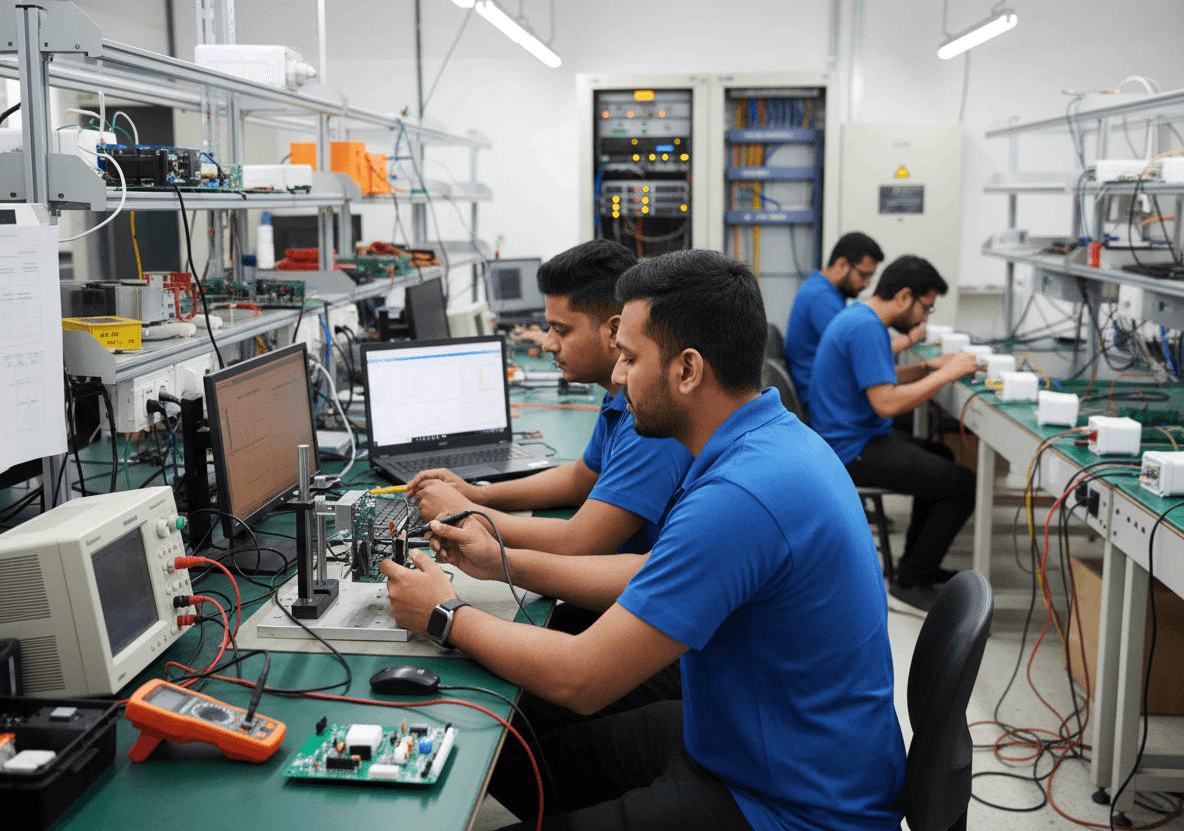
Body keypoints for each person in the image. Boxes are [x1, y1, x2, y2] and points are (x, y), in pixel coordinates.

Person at [380, 250, 907, 831]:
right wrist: (500, 560)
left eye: (630, 358)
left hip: (790, 806)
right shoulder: (765, 441)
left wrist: (444, 616)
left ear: (687, 370)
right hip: (753, 741)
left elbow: (583, 678)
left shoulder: (741, 494)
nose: (618, 375)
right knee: (514, 746)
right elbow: (658, 573)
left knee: (531, 726)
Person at [407, 239, 692, 561]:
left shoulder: (652, 418)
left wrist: (463, 510)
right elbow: (582, 477)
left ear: (615, 330)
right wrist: (480, 495)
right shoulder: (618, 396)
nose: (547, 344)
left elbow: (580, 543)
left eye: (561, 330)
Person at [809, 255, 979, 612]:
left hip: (849, 438)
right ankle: (911, 580)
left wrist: (926, 368)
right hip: (850, 450)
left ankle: (920, 564)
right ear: (904, 296)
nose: (924, 318)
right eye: (925, 308)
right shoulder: (866, 327)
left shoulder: (860, 318)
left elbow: (877, 379)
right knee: (963, 485)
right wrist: (945, 376)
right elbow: (886, 403)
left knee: (943, 457)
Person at [783, 232, 924, 414]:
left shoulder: (823, 289)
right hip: (825, 402)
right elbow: (860, 353)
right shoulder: (821, 298)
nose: (867, 284)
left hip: (827, 392)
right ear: (842, 264)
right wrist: (909, 338)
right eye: (864, 275)